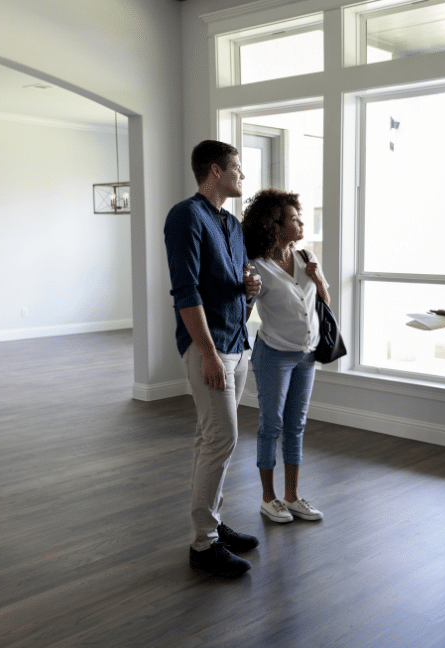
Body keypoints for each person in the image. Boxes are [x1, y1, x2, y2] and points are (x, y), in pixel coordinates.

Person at [164, 140, 263, 577]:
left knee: (212, 439)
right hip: (210, 348)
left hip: (237, 343)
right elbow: (186, 292)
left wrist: (250, 290)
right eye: (236, 168)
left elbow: (234, 286)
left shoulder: (232, 224)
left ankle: (214, 525)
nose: (242, 175)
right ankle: (203, 545)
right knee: (221, 437)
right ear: (214, 171)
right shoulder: (186, 216)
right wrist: (206, 353)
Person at [241, 189, 328, 524]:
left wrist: (319, 278)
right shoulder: (258, 266)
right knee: (271, 425)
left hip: (306, 356)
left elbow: (325, 303)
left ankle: (292, 497)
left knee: (296, 426)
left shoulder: (307, 257)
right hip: (274, 355)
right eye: (294, 218)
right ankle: (268, 498)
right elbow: (245, 312)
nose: (301, 222)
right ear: (275, 226)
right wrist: (246, 290)